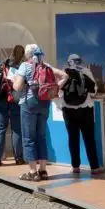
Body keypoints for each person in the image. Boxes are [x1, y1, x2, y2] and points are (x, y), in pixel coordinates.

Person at [9, 44, 66, 182]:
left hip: (29, 104)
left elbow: (17, 87)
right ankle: (43, 170)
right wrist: (55, 89)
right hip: (44, 104)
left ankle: (33, 172)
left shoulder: (25, 65)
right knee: (41, 136)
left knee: (29, 138)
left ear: (28, 55)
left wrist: (12, 79)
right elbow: (65, 75)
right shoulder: (46, 65)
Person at [59, 54, 101, 176]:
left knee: (73, 138)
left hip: (68, 110)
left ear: (68, 62)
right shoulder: (86, 71)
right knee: (89, 139)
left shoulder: (64, 72)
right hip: (86, 109)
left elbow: (59, 92)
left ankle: (76, 167)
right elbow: (94, 90)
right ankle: (94, 167)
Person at [0, 45, 25, 166]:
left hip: (1, 99)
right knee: (17, 129)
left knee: (0, 128)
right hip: (15, 99)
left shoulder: (4, 64)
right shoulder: (23, 67)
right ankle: (19, 158)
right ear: (23, 54)